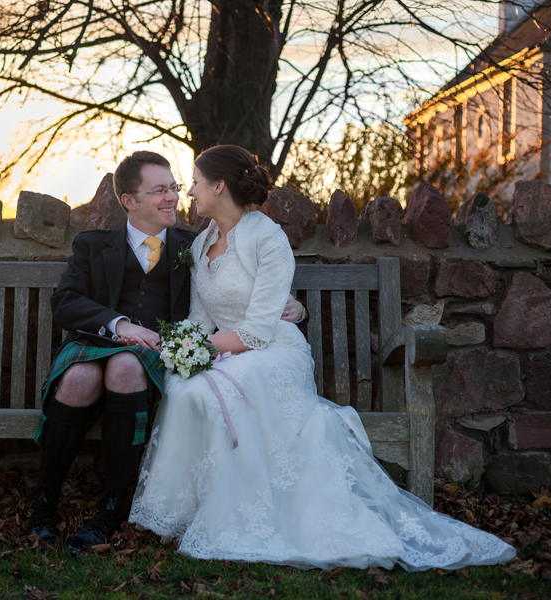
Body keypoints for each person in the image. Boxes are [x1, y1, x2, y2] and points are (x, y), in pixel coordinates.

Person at [129, 145, 517, 570]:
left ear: (219, 185)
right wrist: (187, 348)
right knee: (185, 387)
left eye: (197, 183)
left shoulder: (267, 236)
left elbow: (258, 330)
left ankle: (245, 518)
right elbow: (201, 316)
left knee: (210, 390)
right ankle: (190, 512)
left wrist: (199, 351)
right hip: (226, 351)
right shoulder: (202, 241)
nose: (190, 192)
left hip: (271, 351)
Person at [27, 150, 306, 552]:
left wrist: (298, 309)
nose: (174, 197)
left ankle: (109, 510)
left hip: (150, 357)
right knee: (78, 376)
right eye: (160, 190)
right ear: (129, 201)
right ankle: (44, 505)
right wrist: (120, 325)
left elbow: (242, 295)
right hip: (94, 345)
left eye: (175, 187)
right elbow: (65, 302)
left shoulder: (193, 246)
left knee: (125, 367)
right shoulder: (92, 245)